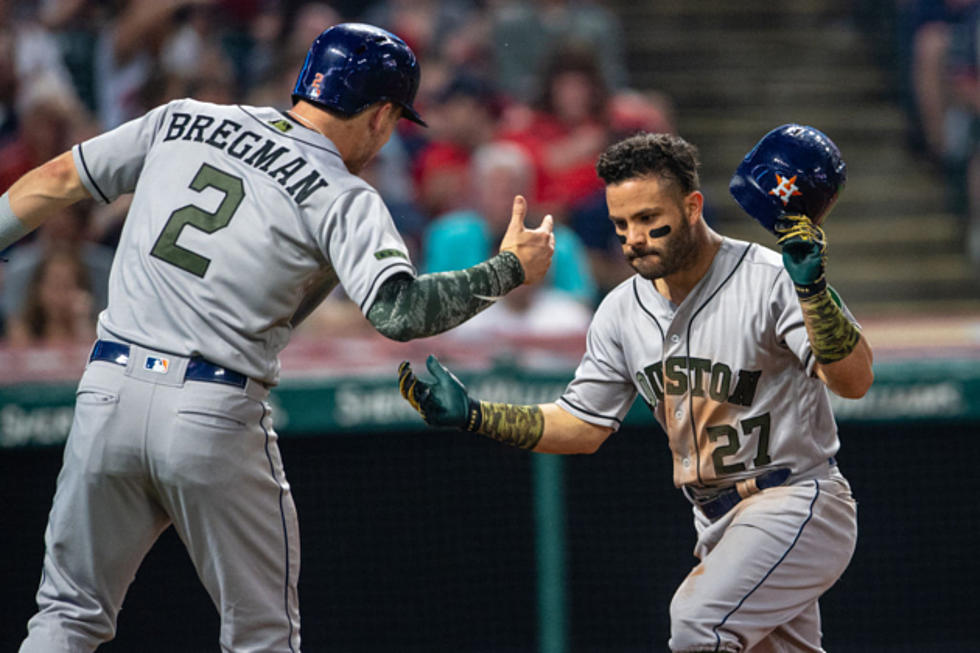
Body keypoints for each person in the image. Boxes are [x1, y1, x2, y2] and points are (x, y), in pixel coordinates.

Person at [5, 22, 553, 652]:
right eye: (395, 119)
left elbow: (54, 181)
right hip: (209, 409)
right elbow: (399, 313)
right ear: (379, 116)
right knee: (263, 637)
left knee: (67, 615)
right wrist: (508, 270)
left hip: (106, 388)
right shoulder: (345, 194)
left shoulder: (182, 119)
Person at [397, 129, 874, 651]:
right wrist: (476, 415)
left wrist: (813, 291)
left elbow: (854, 381)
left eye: (649, 219)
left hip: (795, 499)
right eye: (621, 223)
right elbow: (581, 427)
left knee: (698, 624)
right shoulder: (622, 309)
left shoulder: (770, 279)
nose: (634, 237)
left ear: (693, 206)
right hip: (714, 520)